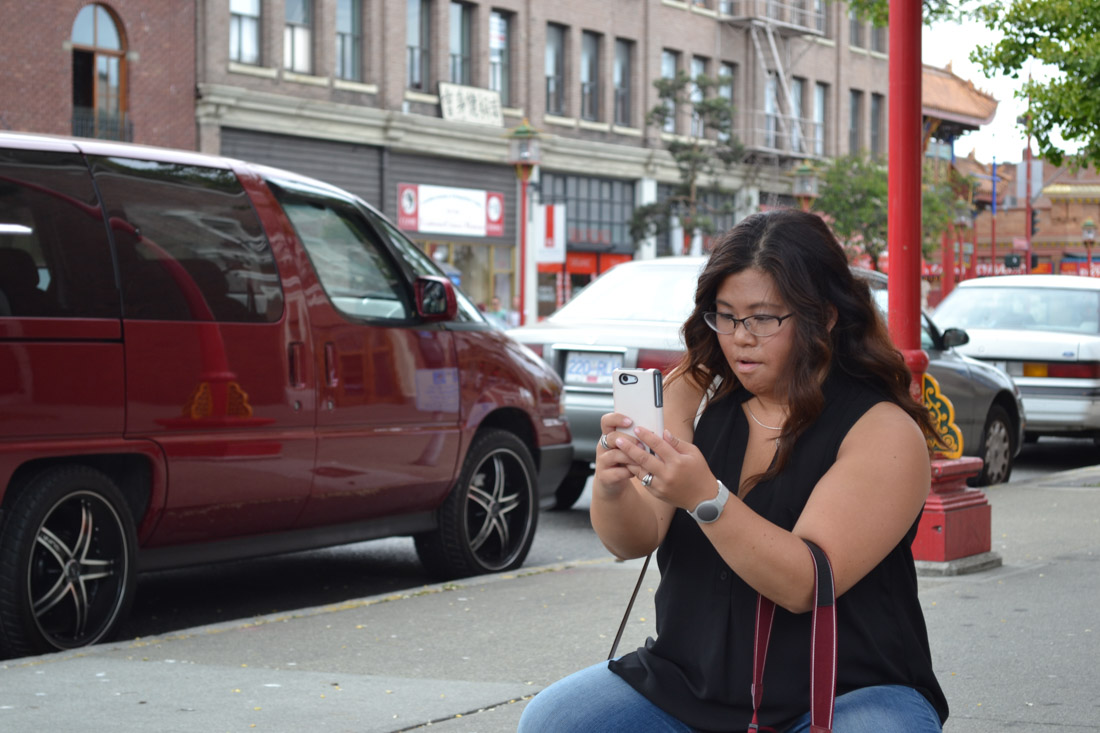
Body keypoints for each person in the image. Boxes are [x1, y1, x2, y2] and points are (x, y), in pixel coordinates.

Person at [517, 209, 949, 732]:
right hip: (689, 681)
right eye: (725, 316)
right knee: (552, 721)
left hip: (843, 691)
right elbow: (633, 540)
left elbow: (805, 583)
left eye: (763, 318)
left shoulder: (881, 430)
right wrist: (611, 487)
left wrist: (707, 499)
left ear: (825, 317)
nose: (741, 336)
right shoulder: (695, 398)